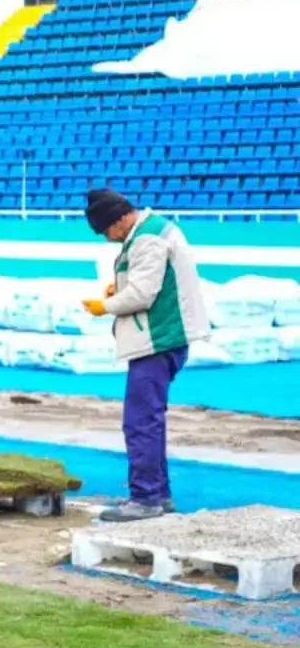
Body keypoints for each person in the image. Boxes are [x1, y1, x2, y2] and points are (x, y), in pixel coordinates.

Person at [80, 188, 209, 522]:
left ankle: (146, 498)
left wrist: (105, 305)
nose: (106, 238)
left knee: (139, 422)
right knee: (150, 419)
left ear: (121, 218)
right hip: (162, 338)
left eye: (105, 229)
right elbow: (146, 281)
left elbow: (142, 294)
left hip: (158, 339)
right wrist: (118, 288)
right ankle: (159, 494)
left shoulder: (148, 238)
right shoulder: (147, 232)